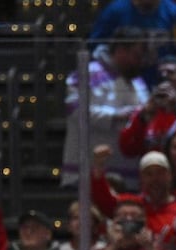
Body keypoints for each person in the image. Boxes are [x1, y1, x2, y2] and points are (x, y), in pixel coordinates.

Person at [61, 26, 150, 189]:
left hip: (128, 177)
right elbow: (76, 111)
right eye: (136, 55)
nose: (140, 61)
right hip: (86, 173)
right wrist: (116, 115)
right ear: (121, 50)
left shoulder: (138, 82)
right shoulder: (86, 73)